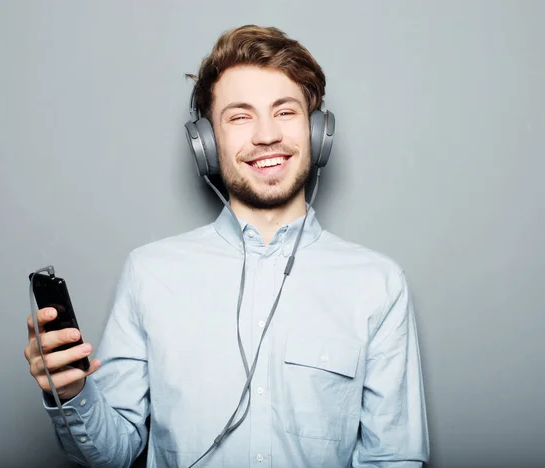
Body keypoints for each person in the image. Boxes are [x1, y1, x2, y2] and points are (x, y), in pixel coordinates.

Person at [24, 24, 430, 468]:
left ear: (318, 131)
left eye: (285, 112)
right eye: (240, 116)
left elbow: (393, 458)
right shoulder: (149, 272)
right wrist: (71, 392)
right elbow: (114, 452)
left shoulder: (378, 284)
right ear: (206, 145)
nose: (266, 135)